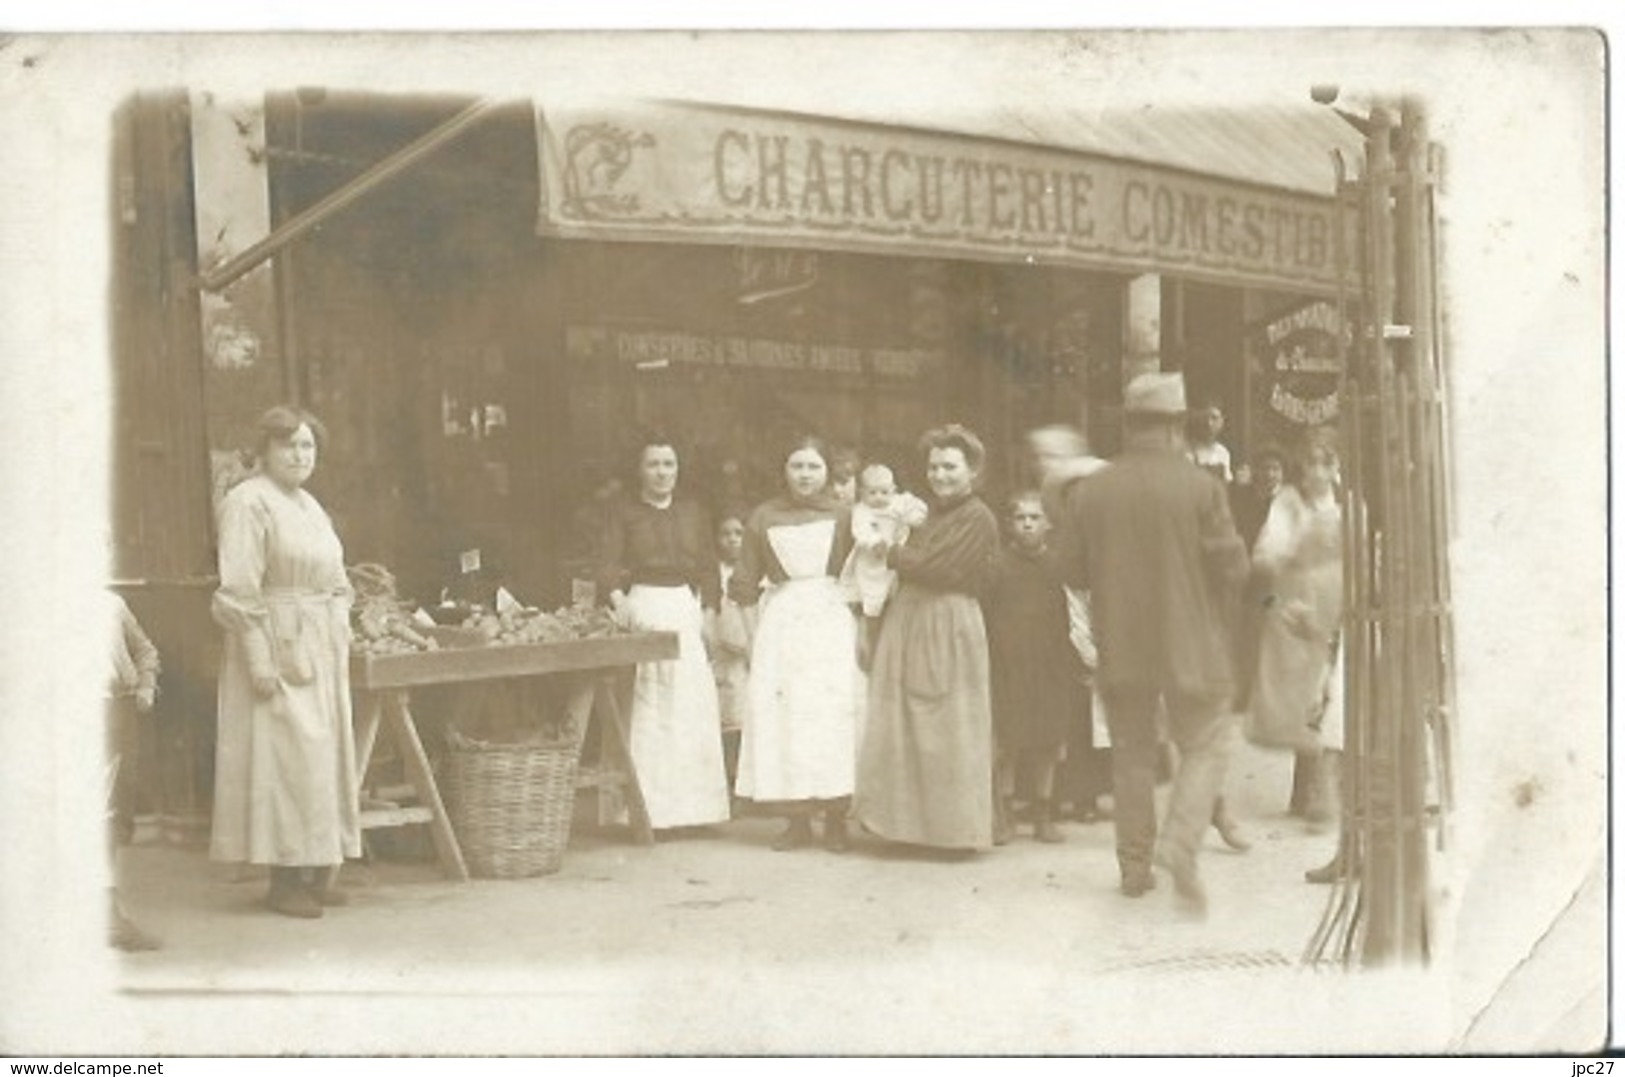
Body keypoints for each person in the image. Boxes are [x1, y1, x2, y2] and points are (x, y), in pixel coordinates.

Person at [1054, 374, 1249, 912]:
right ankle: (1180, 843)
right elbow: (1233, 565)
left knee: (1132, 757)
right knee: (1206, 743)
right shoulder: (1200, 486)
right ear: (1176, 425)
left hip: (1122, 643)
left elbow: (1068, 567)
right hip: (1192, 644)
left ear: (1128, 424)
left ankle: (1134, 868)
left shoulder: (1095, 488)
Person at [210, 405, 361, 919]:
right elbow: (239, 589)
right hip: (274, 639)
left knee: (318, 759)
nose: (300, 456)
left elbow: (338, 577)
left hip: (318, 642)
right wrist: (258, 658)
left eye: (308, 446)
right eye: (289, 445)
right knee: (283, 760)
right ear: (265, 451)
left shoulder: (310, 506)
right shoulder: (247, 503)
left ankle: (316, 864)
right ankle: (283, 878)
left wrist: (338, 614)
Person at [854, 424, 1001, 852]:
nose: (940, 475)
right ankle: (904, 827)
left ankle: (950, 831)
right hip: (910, 616)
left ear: (973, 471)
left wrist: (892, 553)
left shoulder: (977, 517)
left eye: (951, 467)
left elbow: (937, 567)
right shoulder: (926, 512)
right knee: (903, 722)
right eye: (934, 467)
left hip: (947, 619)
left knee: (945, 724)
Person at [728, 437, 865, 852]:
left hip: (832, 621)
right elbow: (745, 585)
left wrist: (861, 632)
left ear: (827, 472)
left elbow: (860, 578)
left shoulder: (844, 516)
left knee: (832, 717)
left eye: (814, 467)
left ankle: (837, 818)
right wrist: (754, 643)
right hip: (784, 624)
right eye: (797, 466)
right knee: (789, 718)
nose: (805, 475)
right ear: (784, 470)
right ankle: (797, 821)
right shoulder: (764, 517)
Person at [599, 436, 732, 836]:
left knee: (688, 703)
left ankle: (693, 811)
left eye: (669, 464)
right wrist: (620, 601)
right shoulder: (623, 513)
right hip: (644, 607)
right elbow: (606, 563)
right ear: (640, 470)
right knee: (648, 704)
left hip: (684, 608)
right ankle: (644, 810)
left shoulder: (693, 512)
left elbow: (708, 567)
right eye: (653, 464)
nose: (661, 472)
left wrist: (708, 612)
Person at [1243, 434, 1345, 846]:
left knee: (1330, 688)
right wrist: (1294, 550)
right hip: (1297, 601)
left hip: (1337, 596)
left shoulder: (1346, 502)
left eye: (1327, 463)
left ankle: (1318, 788)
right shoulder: (1287, 502)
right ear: (1301, 468)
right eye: (1312, 463)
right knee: (1301, 691)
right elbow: (1266, 551)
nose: (1319, 472)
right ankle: (1309, 790)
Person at [983, 492, 1084, 845]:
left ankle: (1044, 812)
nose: (1027, 524)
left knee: (1048, 739)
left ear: (1048, 524)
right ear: (1009, 524)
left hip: (1049, 662)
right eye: (1020, 517)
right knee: (1008, 740)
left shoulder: (1057, 565)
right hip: (1009, 664)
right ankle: (1006, 814)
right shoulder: (998, 565)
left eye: (1034, 518)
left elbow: (1071, 614)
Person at [1028, 425, 1112, 824]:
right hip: (1055, 627)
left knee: (1088, 713)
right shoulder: (1052, 527)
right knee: (1061, 711)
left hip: (1090, 625)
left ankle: (1088, 793)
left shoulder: (1105, 534)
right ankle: (1059, 789)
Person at [106, 590, 160, 950]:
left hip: (118, 712)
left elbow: (146, 651)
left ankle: (107, 912)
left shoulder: (112, 604)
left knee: (114, 813)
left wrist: (146, 685)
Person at [838, 462, 928, 669]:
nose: (879, 497)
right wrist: (873, 541)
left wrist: (913, 517)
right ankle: (871, 623)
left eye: (884, 492)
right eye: (872, 492)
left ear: (894, 490)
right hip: (871, 560)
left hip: (897, 558)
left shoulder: (900, 502)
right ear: (862, 493)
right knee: (871, 591)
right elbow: (860, 531)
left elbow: (919, 508)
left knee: (895, 590)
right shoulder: (861, 510)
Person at [708, 510, 752, 794]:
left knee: (749, 715)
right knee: (726, 716)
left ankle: (749, 784)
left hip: (748, 651)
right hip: (723, 652)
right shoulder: (715, 573)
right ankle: (729, 781)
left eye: (738, 533)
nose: (733, 540)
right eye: (726, 534)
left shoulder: (753, 572)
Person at [1188, 404, 1234, 484]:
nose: (1209, 423)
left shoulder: (1223, 453)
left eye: (1214, 418)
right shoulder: (1189, 451)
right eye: (1205, 418)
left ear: (1222, 422)